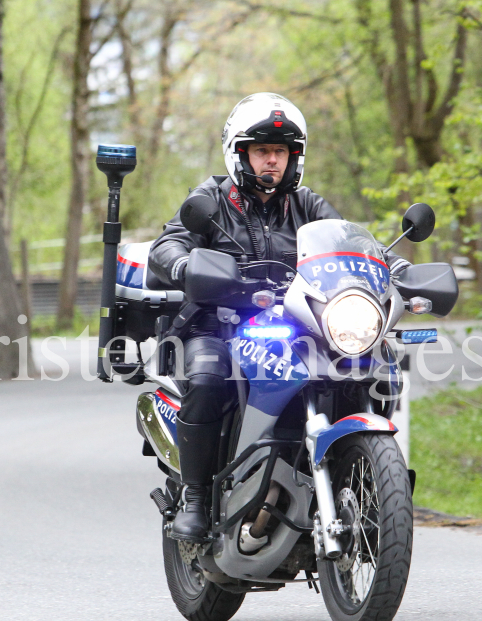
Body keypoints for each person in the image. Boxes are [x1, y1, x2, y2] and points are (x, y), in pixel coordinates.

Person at [149, 92, 410, 542]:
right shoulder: (211, 199)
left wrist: (396, 271)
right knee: (210, 378)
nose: (272, 161)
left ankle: (361, 479)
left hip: (296, 323)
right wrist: (185, 265)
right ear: (240, 154)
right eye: (262, 151)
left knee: (371, 367)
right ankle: (195, 497)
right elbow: (166, 246)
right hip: (220, 323)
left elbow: (353, 248)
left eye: (281, 152)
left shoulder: (307, 204)